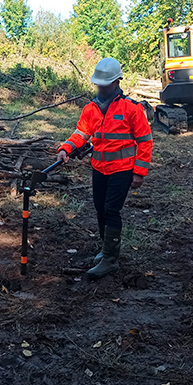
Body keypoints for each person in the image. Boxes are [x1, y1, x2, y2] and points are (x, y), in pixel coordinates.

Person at [57, 58, 153, 279]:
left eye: (105, 84)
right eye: (98, 84)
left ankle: (110, 260)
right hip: (99, 168)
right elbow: (81, 134)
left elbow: (145, 141)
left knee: (111, 210)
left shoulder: (132, 108)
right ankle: (105, 249)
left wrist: (139, 172)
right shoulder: (91, 108)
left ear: (117, 82)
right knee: (100, 209)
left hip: (123, 169)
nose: (101, 88)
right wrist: (66, 148)